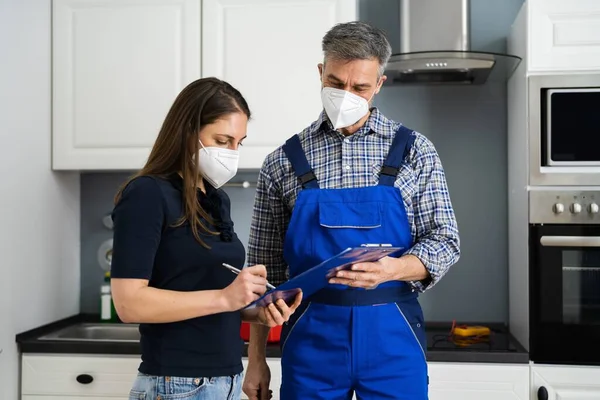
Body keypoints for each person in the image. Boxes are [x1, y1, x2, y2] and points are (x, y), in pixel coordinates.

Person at [242, 21, 460, 400]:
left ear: (379, 84)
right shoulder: (282, 162)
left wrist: (393, 268)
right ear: (320, 73)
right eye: (335, 82)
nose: (346, 94)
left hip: (394, 340)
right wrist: (256, 359)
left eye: (359, 87)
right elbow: (263, 272)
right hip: (311, 342)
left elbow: (445, 241)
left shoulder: (415, 151)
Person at [110, 77, 302, 400]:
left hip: (223, 381)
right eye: (223, 140)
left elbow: (202, 292)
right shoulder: (147, 194)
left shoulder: (215, 199)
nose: (232, 152)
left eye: (238, 143)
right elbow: (128, 303)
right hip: (175, 385)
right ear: (188, 132)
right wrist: (227, 298)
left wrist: (254, 308)